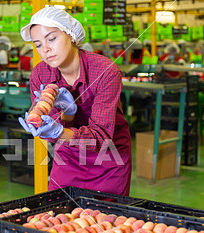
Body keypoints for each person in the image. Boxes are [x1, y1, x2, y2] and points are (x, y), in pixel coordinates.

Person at [18, 7, 132, 196]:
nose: (45, 49)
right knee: (57, 210)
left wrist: (59, 130)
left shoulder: (105, 71)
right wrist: (61, 118)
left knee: (107, 219)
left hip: (109, 157)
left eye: (51, 39)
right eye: (38, 44)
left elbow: (101, 136)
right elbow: (52, 132)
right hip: (68, 155)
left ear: (70, 35)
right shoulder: (41, 74)